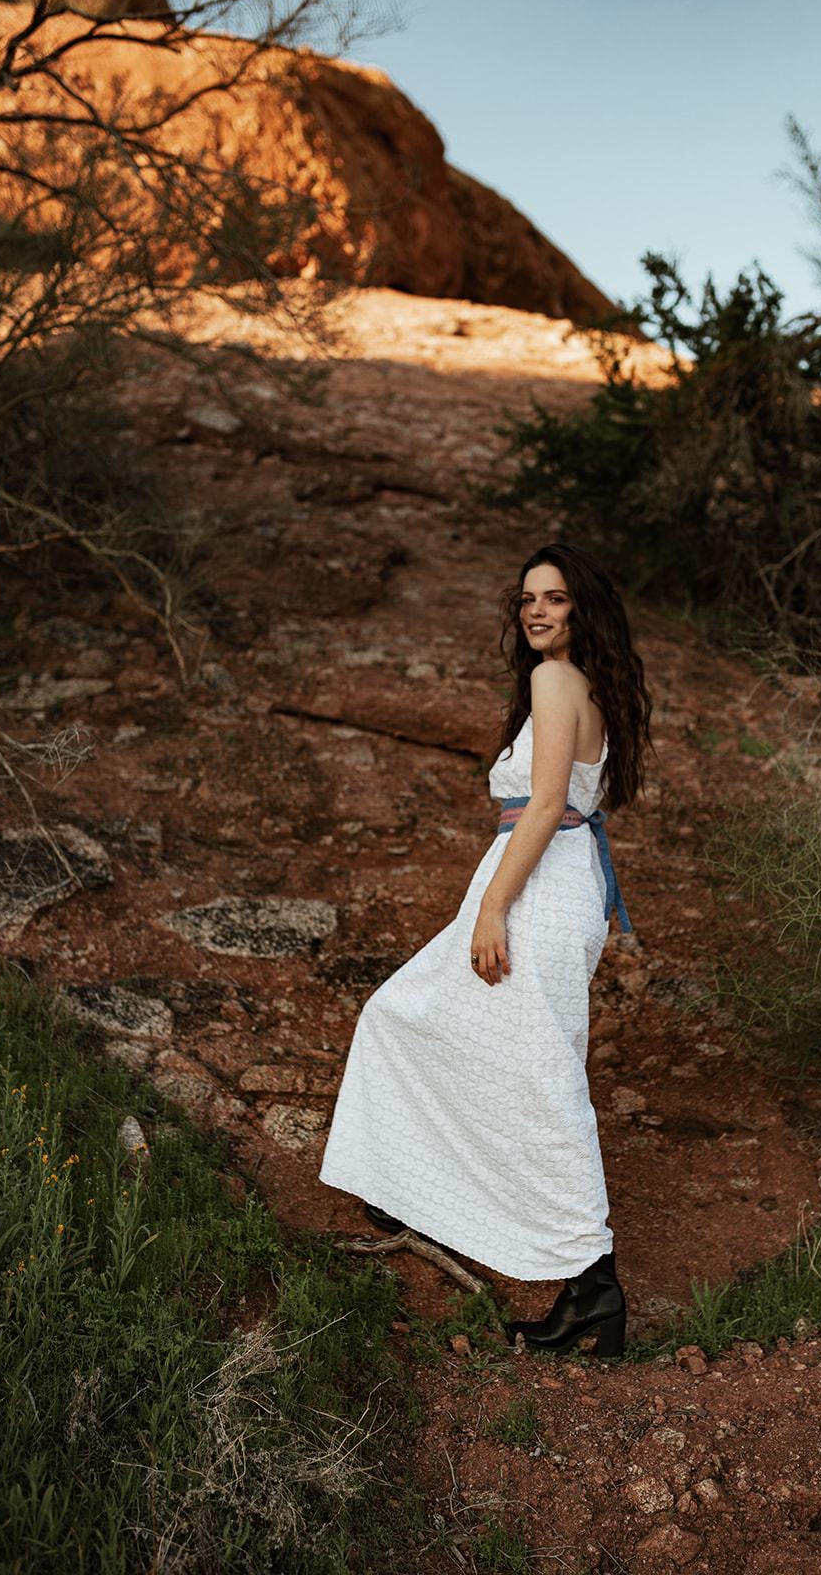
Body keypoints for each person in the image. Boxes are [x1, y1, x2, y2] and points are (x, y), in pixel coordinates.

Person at [318, 542, 652, 1356]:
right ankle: (407, 1189)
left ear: (583, 610)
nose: (536, 611)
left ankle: (592, 1286)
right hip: (555, 884)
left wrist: (494, 908)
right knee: (416, 1018)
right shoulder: (584, 686)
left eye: (555, 598)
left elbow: (542, 807)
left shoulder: (552, 681)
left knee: (535, 1073)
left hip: (534, 888)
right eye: (528, 598)